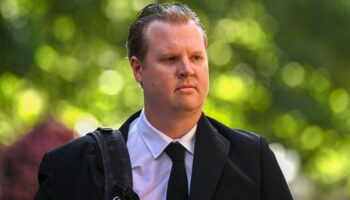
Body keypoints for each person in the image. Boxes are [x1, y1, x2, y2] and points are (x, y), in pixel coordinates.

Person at [34, 3, 293, 200]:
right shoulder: (71, 167)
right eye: (170, 59)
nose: (186, 70)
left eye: (196, 58)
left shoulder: (252, 159)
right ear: (137, 69)